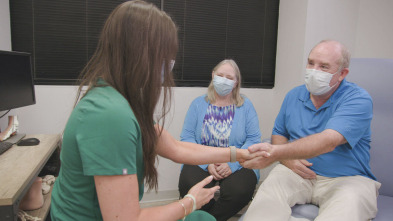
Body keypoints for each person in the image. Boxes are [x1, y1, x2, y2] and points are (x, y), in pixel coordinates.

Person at [50, 2, 267, 221]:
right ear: (139, 53)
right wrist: (189, 202)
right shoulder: (110, 115)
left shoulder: (119, 100)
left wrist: (237, 154)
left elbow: (177, 148)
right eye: (165, 55)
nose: (169, 64)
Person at [241, 40, 381, 221]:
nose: (314, 71)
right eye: (311, 63)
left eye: (324, 66)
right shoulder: (294, 95)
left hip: (347, 179)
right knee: (264, 204)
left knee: (348, 206)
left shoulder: (358, 99)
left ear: (342, 74)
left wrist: (276, 154)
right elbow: (279, 134)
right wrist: (286, 160)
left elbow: (329, 141)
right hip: (296, 173)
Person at [178, 59, 261, 221]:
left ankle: (209, 218)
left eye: (229, 77)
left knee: (239, 191)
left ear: (236, 82)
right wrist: (206, 162)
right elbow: (187, 138)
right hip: (202, 159)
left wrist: (233, 163)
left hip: (238, 161)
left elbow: (254, 139)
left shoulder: (246, 106)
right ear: (213, 75)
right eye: (220, 75)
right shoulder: (197, 104)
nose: (224, 80)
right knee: (189, 184)